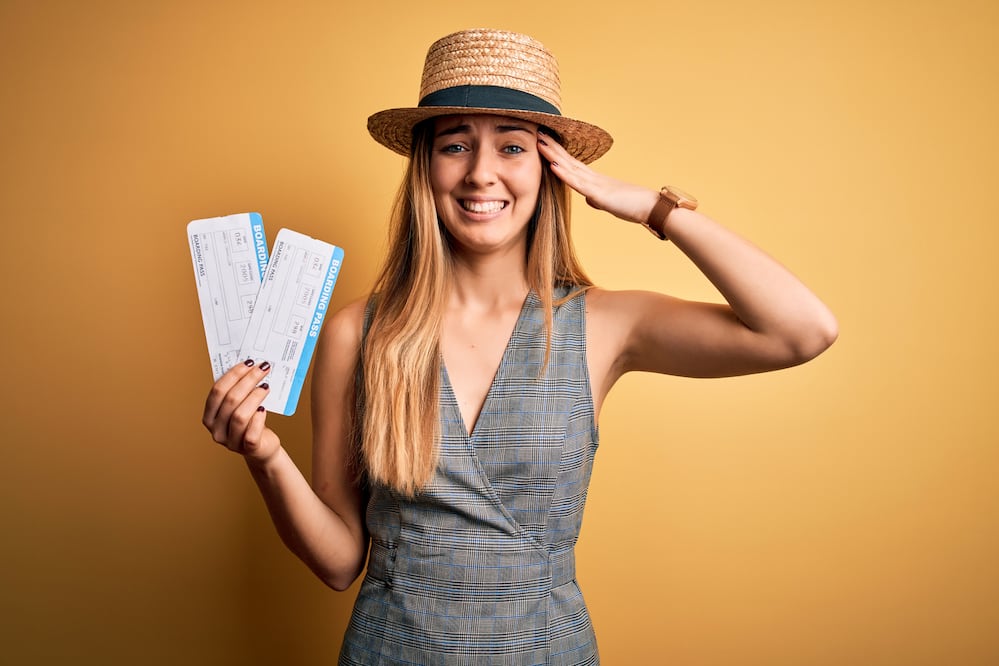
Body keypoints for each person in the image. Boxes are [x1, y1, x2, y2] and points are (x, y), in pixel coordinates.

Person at [201, 28, 837, 665]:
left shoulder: (602, 324)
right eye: (456, 145)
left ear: (552, 168)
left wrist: (653, 208)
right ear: (425, 165)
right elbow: (340, 563)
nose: (481, 173)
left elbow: (800, 330)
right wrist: (263, 454)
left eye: (512, 146)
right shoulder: (357, 333)